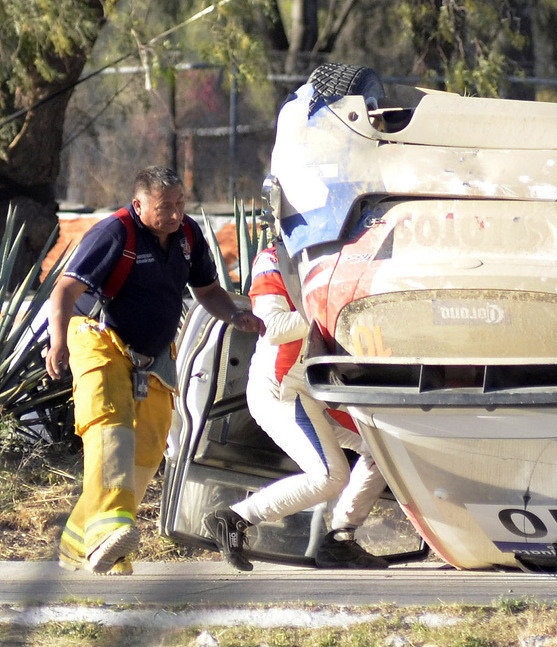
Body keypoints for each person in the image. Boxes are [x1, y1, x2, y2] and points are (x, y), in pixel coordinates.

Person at [45, 166, 265, 575]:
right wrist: (57, 341)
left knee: (149, 443)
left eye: (180, 203)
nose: (175, 213)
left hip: (153, 353)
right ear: (140, 203)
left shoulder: (187, 236)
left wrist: (236, 317)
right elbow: (65, 290)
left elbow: (208, 292)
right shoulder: (115, 233)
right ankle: (112, 530)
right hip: (98, 338)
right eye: (165, 206)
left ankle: (82, 542)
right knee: (111, 428)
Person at [203, 243, 389, 571]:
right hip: (283, 391)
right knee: (330, 476)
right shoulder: (275, 258)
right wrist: (325, 309)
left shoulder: (349, 251)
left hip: (319, 388)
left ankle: (340, 540)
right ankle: (233, 518)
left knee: (386, 447)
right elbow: (271, 328)